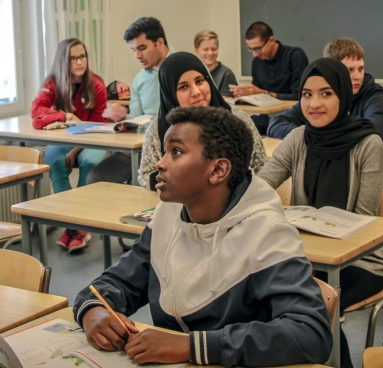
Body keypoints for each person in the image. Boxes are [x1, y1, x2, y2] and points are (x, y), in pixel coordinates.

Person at [73, 106, 333, 367]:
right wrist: (93, 309)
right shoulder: (169, 214)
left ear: (218, 170)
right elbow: (120, 281)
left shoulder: (268, 235)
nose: (160, 163)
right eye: (165, 151)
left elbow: (310, 333)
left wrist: (192, 346)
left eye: (176, 152)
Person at [257, 58, 383, 368]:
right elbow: (260, 186)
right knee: (258, 298)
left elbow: (366, 221)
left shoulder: (369, 144)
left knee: (315, 304)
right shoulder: (298, 138)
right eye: (306, 94)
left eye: (326, 93)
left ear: (343, 95)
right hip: (305, 258)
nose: (314, 103)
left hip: (362, 262)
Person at [138, 51, 267, 190]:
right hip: (180, 204)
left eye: (199, 81)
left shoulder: (235, 118)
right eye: (183, 87)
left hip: (236, 202)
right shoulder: (158, 127)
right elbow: (145, 174)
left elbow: (261, 167)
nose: (196, 92)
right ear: (170, 93)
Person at [30, 38, 107, 253]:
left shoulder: (97, 84)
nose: (79, 62)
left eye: (82, 56)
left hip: (92, 139)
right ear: (64, 61)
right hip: (65, 139)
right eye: (73, 58)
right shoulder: (53, 83)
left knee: (89, 161)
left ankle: (80, 223)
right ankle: (71, 224)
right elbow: (36, 112)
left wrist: (76, 149)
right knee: (54, 159)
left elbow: (100, 125)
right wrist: (63, 115)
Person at [86, 17, 174, 185]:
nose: (137, 55)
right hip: (142, 149)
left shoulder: (185, 67)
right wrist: (123, 117)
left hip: (175, 148)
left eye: (142, 48)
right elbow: (136, 120)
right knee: (96, 178)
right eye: (133, 50)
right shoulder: (140, 79)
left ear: (160, 42)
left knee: (150, 180)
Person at [268, 37, 383, 143]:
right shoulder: (319, 96)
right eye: (350, 70)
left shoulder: (375, 94)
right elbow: (276, 124)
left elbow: (374, 131)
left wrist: (320, 137)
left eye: (360, 69)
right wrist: (309, 137)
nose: (358, 76)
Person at [231, 21, 309, 135]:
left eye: (258, 48)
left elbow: (299, 95)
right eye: (251, 49)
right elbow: (257, 94)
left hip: (292, 118)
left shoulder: (295, 56)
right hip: (266, 117)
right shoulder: (257, 62)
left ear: (271, 40)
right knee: (240, 130)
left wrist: (264, 93)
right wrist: (244, 94)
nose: (255, 54)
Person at [194, 29, 238, 97]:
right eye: (205, 49)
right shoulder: (192, 73)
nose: (210, 53)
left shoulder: (226, 74)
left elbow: (225, 104)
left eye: (214, 49)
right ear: (196, 50)